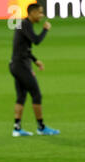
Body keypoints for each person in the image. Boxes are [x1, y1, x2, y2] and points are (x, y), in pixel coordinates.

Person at [10, 3, 59, 137]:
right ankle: (41, 127)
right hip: (21, 66)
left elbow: (21, 47)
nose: (41, 15)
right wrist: (45, 29)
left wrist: (34, 60)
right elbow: (36, 40)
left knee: (21, 96)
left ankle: (17, 128)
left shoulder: (22, 24)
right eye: (39, 13)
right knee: (36, 94)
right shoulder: (25, 24)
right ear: (31, 13)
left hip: (16, 64)